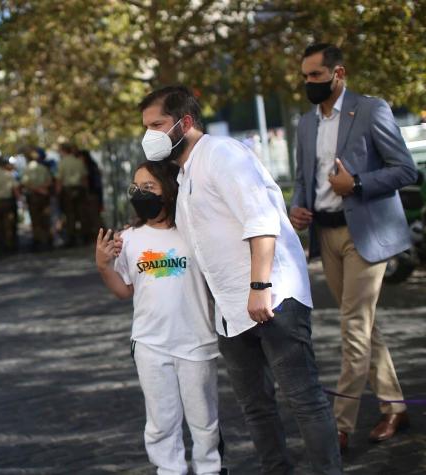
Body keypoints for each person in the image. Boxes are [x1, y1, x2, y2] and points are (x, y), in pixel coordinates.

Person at [136, 86, 342, 473]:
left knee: (304, 399)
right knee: (256, 408)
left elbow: (260, 220)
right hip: (231, 313)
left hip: (272, 300)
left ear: (185, 123)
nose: (150, 134)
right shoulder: (185, 177)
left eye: (157, 124)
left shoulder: (222, 154)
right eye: (146, 126)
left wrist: (260, 287)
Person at [289, 43, 417, 451]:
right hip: (325, 235)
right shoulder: (305, 124)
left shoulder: (370, 109)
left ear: (337, 73)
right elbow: (300, 177)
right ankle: (394, 406)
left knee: (353, 327)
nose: (308, 83)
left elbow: (405, 170)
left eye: (315, 76)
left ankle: (338, 427)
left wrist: (357, 184)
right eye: (304, 77)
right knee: (363, 324)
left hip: (366, 233)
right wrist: (298, 206)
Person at [97, 161, 223, 475]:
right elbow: (125, 291)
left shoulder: (193, 230)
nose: (140, 194)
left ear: (169, 189)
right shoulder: (129, 239)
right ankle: (169, 469)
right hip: (150, 344)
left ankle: (211, 468)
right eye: (136, 188)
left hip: (197, 341)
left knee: (204, 420)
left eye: (149, 187)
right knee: (160, 422)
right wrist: (102, 266)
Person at [56, 143, 88, 247]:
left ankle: (71, 238)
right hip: (79, 189)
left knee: (70, 215)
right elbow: (84, 178)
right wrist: (85, 191)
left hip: (67, 190)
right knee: (81, 213)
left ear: (63, 151)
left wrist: (58, 192)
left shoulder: (62, 163)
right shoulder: (78, 161)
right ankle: (84, 236)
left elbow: (59, 179)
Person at [21, 149, 53, 251]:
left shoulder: (27, 169)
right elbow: (49, 182)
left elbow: (26, 184)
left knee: (36, 220)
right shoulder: (43, 168)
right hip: (44, 196)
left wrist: (37, 189)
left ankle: (38, 241)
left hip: (34, 196)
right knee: (45, 218)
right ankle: (47, 240)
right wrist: (42, 189)